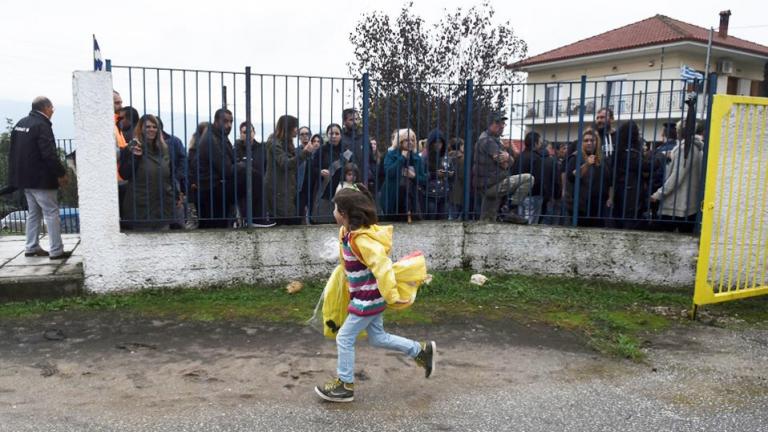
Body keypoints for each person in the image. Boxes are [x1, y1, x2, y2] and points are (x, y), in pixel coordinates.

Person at [314, 185, 436, 403]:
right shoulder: (347, 233)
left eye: (334, 208)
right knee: (378, 338)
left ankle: (345, 385)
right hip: (366, 296)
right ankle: (420, 351)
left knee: (344, 337)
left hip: (368, 300)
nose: (332, 212)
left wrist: (391, 295)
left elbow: (383, 266)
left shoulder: (363, 239)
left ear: (343, 214)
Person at [8, 96, 71, 260]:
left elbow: (13, 152)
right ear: (45, 108)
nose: (53, 111)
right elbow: (49, 154)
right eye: (51, 108)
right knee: (51, 213)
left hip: (24, 179)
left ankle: (31, 247)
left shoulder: (21, 123)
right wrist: (61, 173)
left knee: (33, 213)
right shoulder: (42, 125)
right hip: (41, 179)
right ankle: (56, 250)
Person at [119, 114, 178, 231]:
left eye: (154, 127)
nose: (152, 129)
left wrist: (175, 194)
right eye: (148, 127)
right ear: (140, 128)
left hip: (163, 206)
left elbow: (170, 174)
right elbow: (124, 174)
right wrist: (134, 157)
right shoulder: (132, 147)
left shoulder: (165, 149)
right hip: (140, 207)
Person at [472, 113, 532, 223]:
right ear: (490, 124)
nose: (502, 126)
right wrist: (510, 158)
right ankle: (510, 209)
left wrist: (508, 157)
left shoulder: (488, 139)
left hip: (489, 183)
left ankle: (504, 212)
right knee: (529, 178)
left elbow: (504, 161)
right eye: (498, 123)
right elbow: (504, 163)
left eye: (503, 123)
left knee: (487, 221)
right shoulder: (488, 141)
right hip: (493, 185)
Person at [649, 120, 704, 233]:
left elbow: (676, 176)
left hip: (676, 205)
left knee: (664, 239)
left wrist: (658, 194)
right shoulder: (697, 148)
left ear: (679, 132)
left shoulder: (685, 149)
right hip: (689, 204)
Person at [265, 115, 319, 224]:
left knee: (292, 220)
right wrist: (305, 153)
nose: (297, 130)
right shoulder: (274, 143)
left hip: (288, 190)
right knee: (282, 222)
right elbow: (285, 164)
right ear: (288, 127)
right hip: (278, 190)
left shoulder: (287, 142)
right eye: (295, 127)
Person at [196, 109, 236, 228]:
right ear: (216, 121)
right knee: (214, 229)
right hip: (211, 192)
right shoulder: (212, 139)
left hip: (215, 191)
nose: (229, 125)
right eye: (225, 121)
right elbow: (226, 169)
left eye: (231, 122)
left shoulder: (220, 137)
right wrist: (240, 166)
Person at [565, 128, 613, 227]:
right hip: (581, 206)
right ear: (581, 143)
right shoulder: (575, 157)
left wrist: (610, 198)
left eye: (592, 140)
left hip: (600, 206)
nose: (589, 143)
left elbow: (610, 181)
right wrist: (586, 164)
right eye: (586, 140)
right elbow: (571, 177)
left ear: (597, 142)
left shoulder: (603, 159)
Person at [379, 128, 427, 222]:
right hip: (393, 197)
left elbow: (423, 179)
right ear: (400, 141)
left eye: (412, 140)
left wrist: (414, 176)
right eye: (407, 140)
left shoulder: (417, 157)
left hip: (412, 199)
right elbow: (389, 173)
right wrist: (402, 158)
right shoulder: (391, 155)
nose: (410, 142)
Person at [512, 131, 559, 224]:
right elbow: (539, 178)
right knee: (530, 223)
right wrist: (544, 193)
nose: (541, 144)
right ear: (535, 143)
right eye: (540, 142)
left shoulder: (519, 157)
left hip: (519, 194)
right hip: (534, 195)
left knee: (520, 221)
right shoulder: (536, 158)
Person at [234, 121, 272, 227]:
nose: (247, 134)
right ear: (240, 134)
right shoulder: (236, 150)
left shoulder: (262, 148)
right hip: (242, 189)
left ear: (254, 132)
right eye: (244, 132)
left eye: (249, 131)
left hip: (261, 188)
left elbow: (267, 166)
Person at [311, 124, 346, 223]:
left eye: (337, 133)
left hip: (342, 188)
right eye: (331, 133)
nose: (334, 136)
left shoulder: (346, 150)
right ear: (327, 135)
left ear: (341, 135)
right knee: (323, 219)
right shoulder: (321, 150)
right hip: (324, 188)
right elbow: (312, 168)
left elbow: (351, 167)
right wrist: (319, 171)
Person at [340, 108, 378, 188]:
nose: (355, 122)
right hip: (346, 182)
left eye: (357, 119)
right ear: (344, 121)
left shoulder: (364, 138)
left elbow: (371, 160)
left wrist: (373, 173)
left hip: (364, 181)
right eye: (351, 119)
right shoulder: (340, 138)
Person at [422, 129, 453, 220]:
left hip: (445, 194)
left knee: (443, 221)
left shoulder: (446, 158)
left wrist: (450, 174)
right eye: (435, 142)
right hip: (430, 195)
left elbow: (452, 172)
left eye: (440, 142)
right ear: (431, 143)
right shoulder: (425, 158)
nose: (438, 144)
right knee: (430, 221)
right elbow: (422, 176)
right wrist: (434, 174)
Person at [447, 138, 465, 220]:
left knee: (450, 213)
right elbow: (462, 175)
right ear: (460, 146)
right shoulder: (462, 158)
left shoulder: (447, 157)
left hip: (449, 187)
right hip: (459, 188)